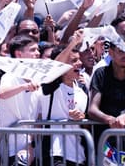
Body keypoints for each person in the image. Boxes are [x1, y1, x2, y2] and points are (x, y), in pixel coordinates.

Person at [38, 34, 88, 166]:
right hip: (55, 153)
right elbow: (55, 67)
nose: (79, 63)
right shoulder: (51, 85)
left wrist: (81, 117)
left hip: (79, 155)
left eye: (79, 59)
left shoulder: (82, 89)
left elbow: (87, 121)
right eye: (73, 60)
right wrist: (72, 43)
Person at [0, 34, 42, 165]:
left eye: (38, 49)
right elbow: (2, 93)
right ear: (19, 54)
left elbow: (39, 116)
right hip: (11, 150)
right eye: (33, 50)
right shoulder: (9, 76)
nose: (38, 53)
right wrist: (24, 86)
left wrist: (32, 145)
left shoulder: (38, 79)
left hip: (32, 151)